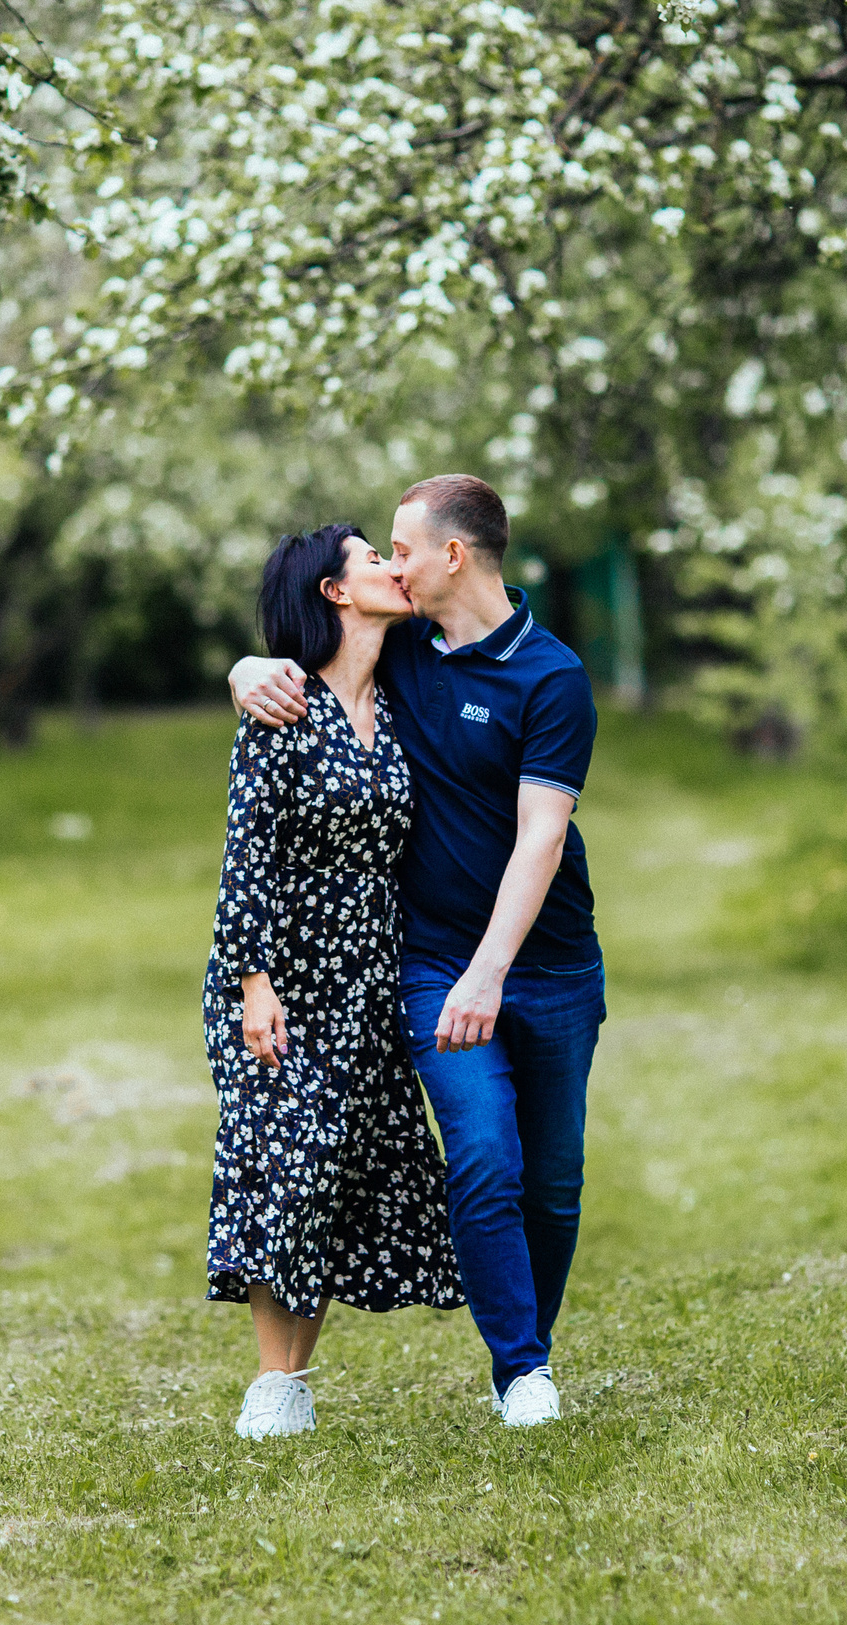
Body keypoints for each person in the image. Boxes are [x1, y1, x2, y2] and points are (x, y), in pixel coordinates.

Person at [229, 475, 601, 1429]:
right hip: (430, 965)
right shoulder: (405, 659)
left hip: (550, 966)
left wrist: (495, 969)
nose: (391, 563)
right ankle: (520, 1373)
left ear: (452, 556)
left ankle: (528, 1357)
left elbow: (540, 838)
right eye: (378, 553)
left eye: (401, 547)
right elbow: (304, 668)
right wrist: (244, 669)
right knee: (482, 1160)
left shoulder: (551, 677)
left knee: (552, 1184)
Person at [203, 522, 465, 1441]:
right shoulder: (283, 707)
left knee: (338, 1178)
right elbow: (249, 855)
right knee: (291, 1166)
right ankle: (269, 1385)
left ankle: (296, 1378)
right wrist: (253, 981)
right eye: (373, 559)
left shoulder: (395, 700)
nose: (395, 567)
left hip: (370, 979)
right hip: (282, 976)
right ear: (333, 592)